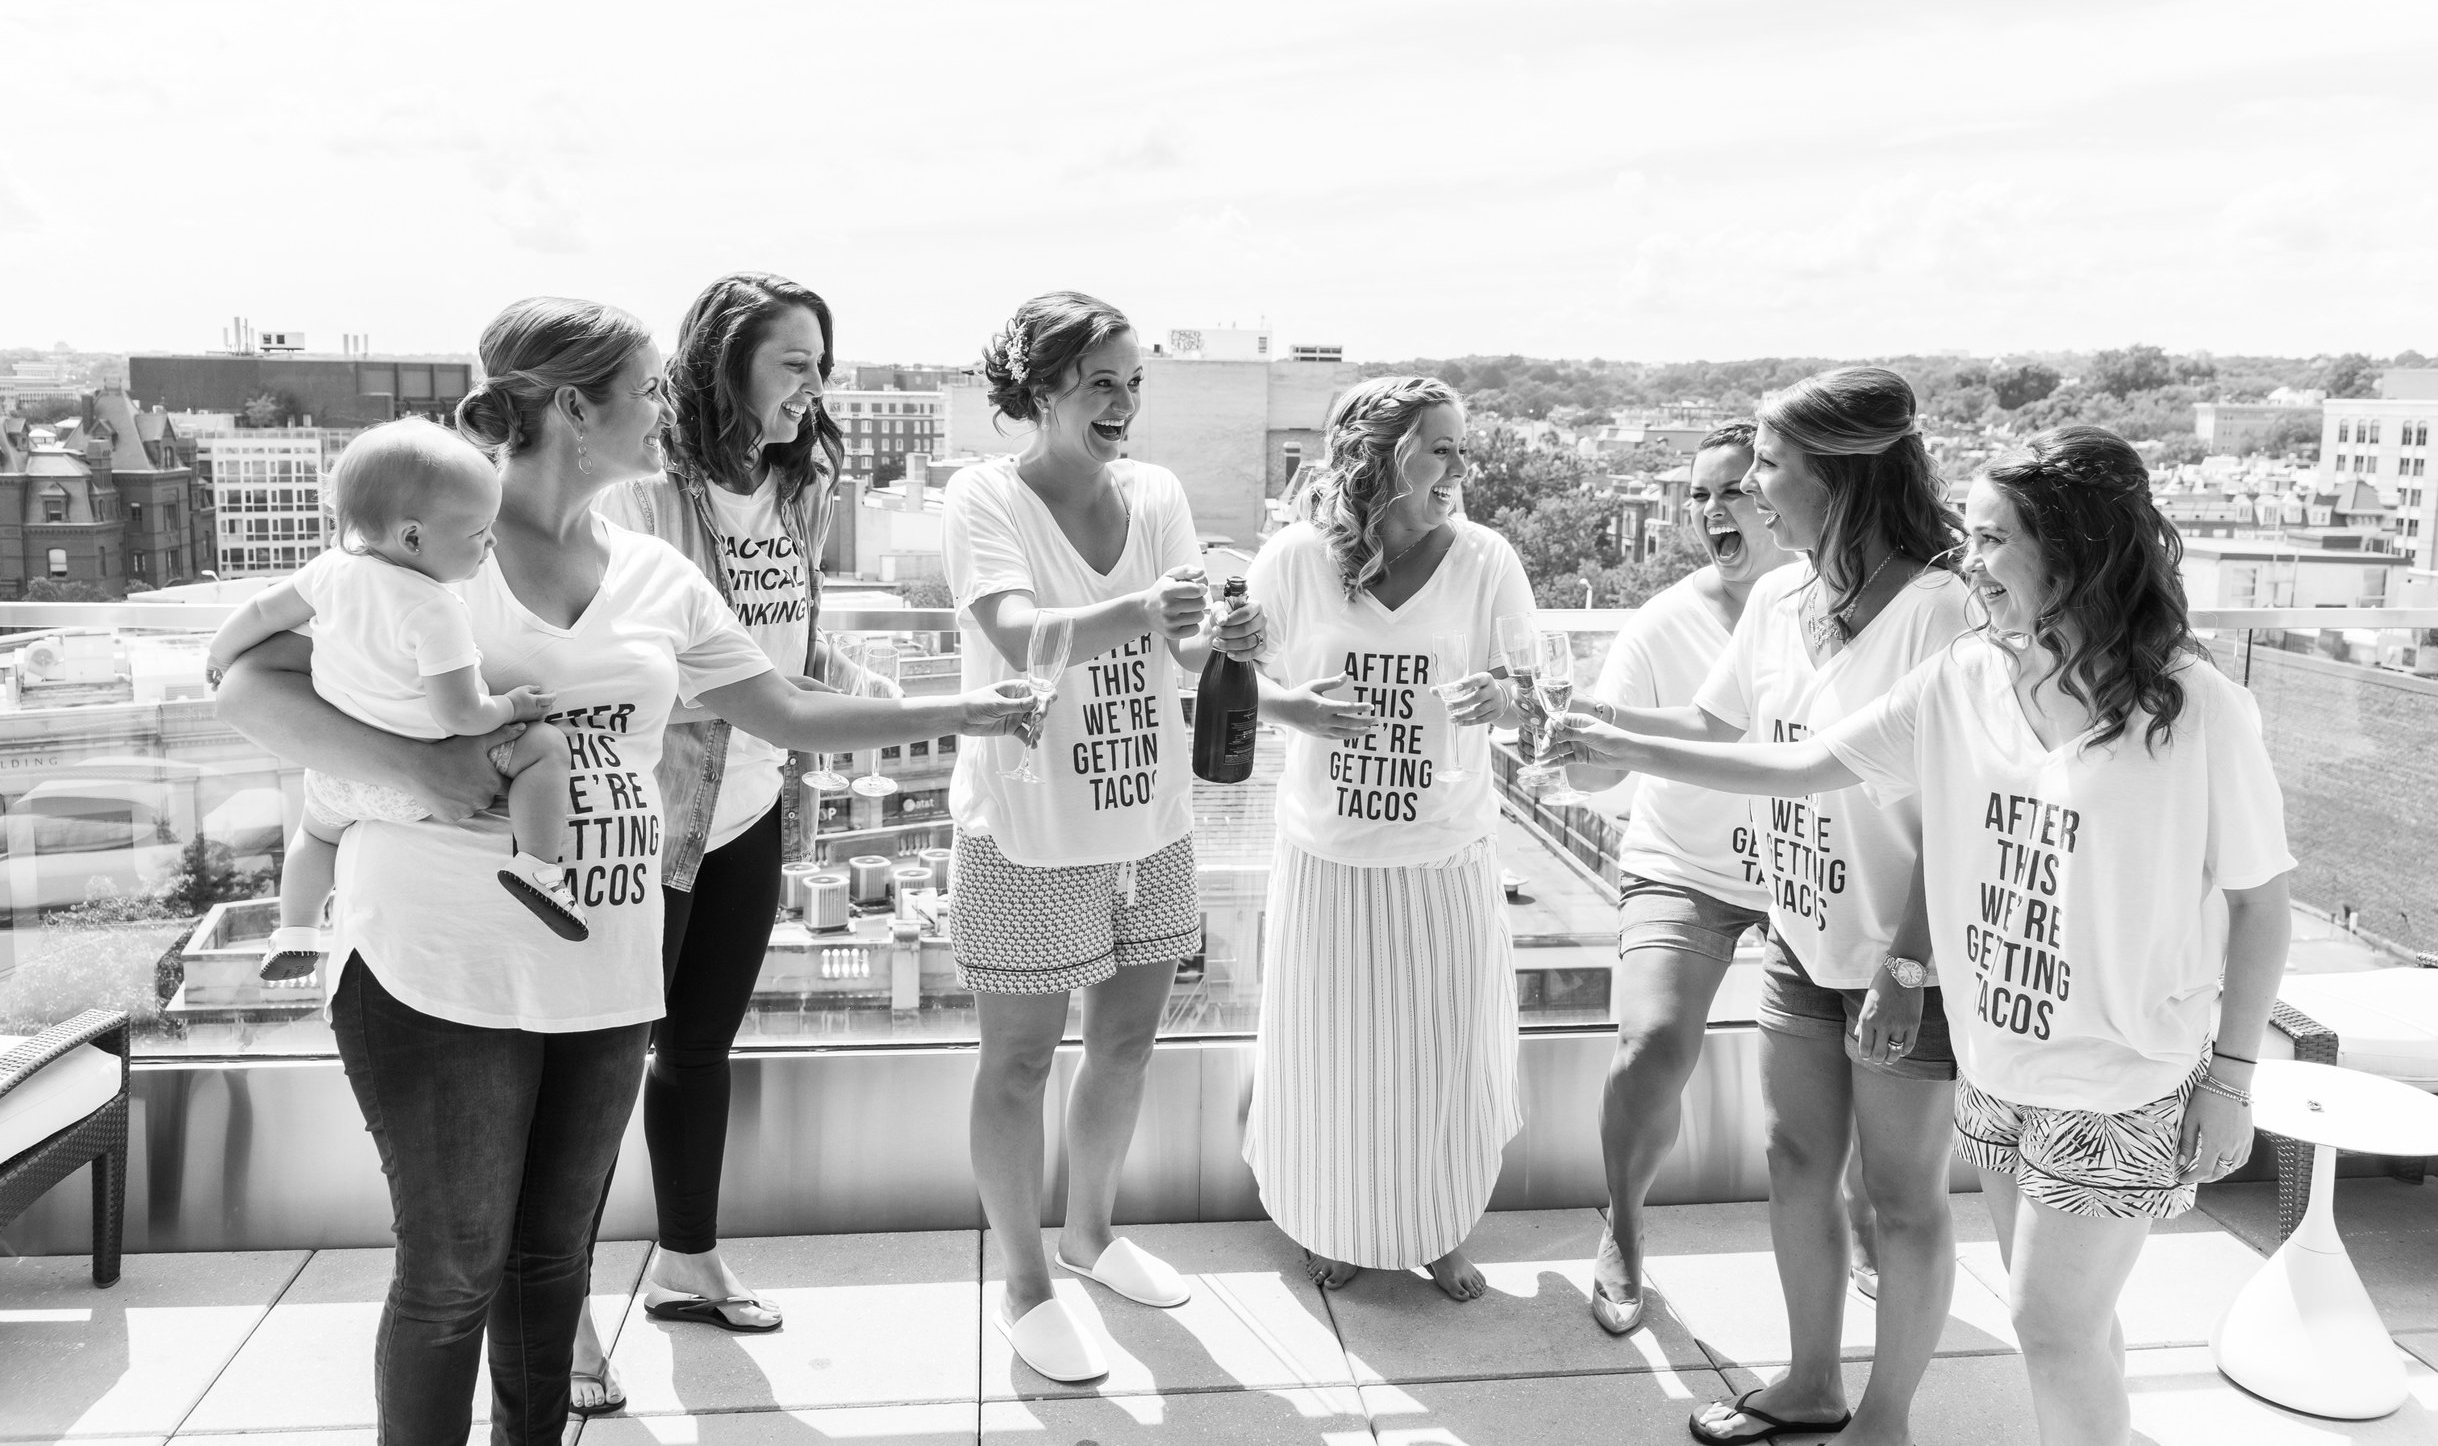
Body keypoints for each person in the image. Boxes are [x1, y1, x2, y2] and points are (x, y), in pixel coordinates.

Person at [216, 296, 1031, 1446]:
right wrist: (425, 768)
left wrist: (974, 711)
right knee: (454, 1271)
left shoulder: (656, 573)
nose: (665, 410)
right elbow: (244, 681)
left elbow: (785, 707)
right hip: (433, 956)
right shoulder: (436, 540)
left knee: (552, 1264)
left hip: (603, 956)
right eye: (647, 391)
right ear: (570, 407)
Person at [1555, 426, 2294, 1446]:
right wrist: (1612, 735)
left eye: (1994, 542)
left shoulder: (2198, 709)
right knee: (2077, 1324)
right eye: (1970, 536)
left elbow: (2261, 902)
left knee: (2047, 1321)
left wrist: (2231, 1075)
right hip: (1996, 1066)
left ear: (2073, 549)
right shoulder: (1964, 678)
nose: (1971, 561)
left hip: (2123, 1072)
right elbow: (1801, 765)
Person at [1558, 366, 1967, 1445]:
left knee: (1903, 1192)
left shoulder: (1942, 614)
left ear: (1833, 476)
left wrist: (1908, 966)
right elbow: (1715, 726)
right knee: (1795, 1161)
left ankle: (1886, 1418)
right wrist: (1598, 726)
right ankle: (1810, 1383)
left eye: (1770, 466)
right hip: (1801, 930)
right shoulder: (1784, 598)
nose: (1751, 486)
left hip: (1904, 956)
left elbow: (1952, 815)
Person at [944, 290, 1266, 1386]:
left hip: (1148, 820)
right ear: (1038, 392)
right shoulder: (983, 496)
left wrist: (1221, 630)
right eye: (1100, 384)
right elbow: (1015, 633)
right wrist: (1146, 609)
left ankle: (1090, 1233)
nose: (1123, 403)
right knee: (1020, 1062)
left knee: (1126, 1045)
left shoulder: (1158, 492)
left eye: (1133, 382)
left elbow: (1180, 655)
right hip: (1031, 824)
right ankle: (1024, 1282)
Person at [555, 273, 858, 1413]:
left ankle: (686, 1261)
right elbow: (637, 664)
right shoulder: (642, 495)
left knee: (699, 1049)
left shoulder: (799, 484)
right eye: (793, 363)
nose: (812, 388)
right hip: (656, 810)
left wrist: (829, 693)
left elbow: (787, 646)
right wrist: (770, 697)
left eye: (821, 365)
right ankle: (564, 1312)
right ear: (725, 365)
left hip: (753, 801)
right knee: (599, 1070)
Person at [1243, 375, 1532, 1302]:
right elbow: (1230, 685)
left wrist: (1500, 695)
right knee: (1331, 1062)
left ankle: (1442, 1231)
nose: (1459, 465)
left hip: (1444, 853)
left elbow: (1527, 689)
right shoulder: (1292, 560)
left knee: (1445, 1057)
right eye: (1440, 446)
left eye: (1461, 445)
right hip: (1326, 859)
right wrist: (1300, 709)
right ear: (1382, 455)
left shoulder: (1488, 560)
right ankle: (1336, 1221)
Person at [1559, 420, 1790, 1332]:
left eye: (1731, 489)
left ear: (1783, 497)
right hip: (1682, 866)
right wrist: (1560, 730)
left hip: (1804, 877)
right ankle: (1623, 1227)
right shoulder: (1662, 621)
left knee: (1847, 1065)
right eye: (1699, 495)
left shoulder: (1832, 609)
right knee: (1653, 1043)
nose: (1711, 510)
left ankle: (1867, 1221)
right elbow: (1594, 774)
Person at [209, 420, 577, 985]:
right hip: (424, 775)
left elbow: (260, 613)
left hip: (338, 776)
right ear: (413, 539)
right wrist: (514, 708)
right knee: (545, 751)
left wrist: (217, 655)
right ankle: (536, 868)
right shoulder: (436, 610)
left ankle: (299, 933)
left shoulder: (331, 571)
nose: (491, 543)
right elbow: (461, 715)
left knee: (314, 838)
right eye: (478, 533)